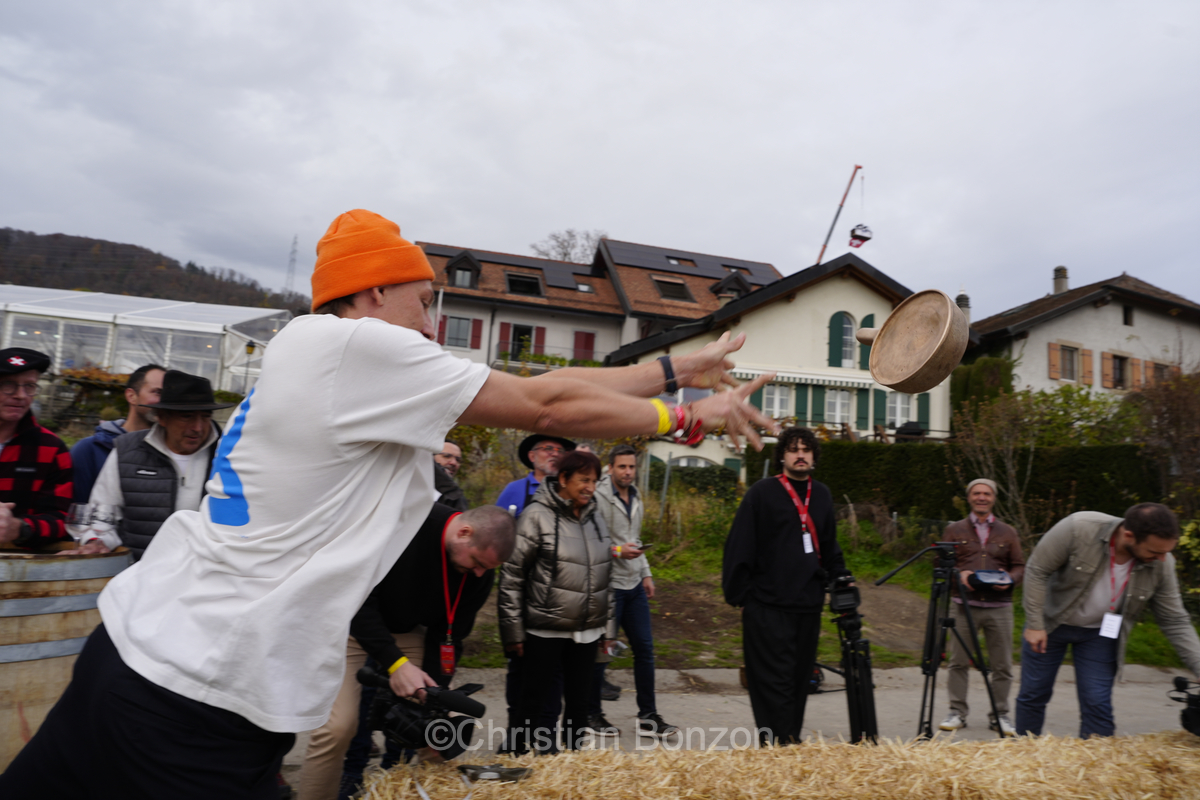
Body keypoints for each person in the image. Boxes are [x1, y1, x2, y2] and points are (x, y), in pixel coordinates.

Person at [1, 208, 775, 798]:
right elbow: (550, 410)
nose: (433, 321)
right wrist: (684, 416)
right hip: (198, 691)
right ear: (373, 291)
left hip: (147, 657)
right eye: (424, 298)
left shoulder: (329, 360)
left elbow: (547, 391)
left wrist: (679, 371)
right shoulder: (357, 347)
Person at [297, 504, 516, 799]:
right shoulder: (408, 523)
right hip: (352, 621)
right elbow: (358, 602)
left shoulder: (479, 574)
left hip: (407, 631)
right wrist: (395, 664)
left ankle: (434, 792)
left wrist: (436, 693)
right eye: (476, 562)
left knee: (437, 729)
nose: (478, 573)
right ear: (464, 533)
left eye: (486, 569)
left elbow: (450, 636)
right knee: (337, 728)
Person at [1015, 503, 1200, 739]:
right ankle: (1025, 754)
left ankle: (1097, 766)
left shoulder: (1163, 563)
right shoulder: (1078, 528)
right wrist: (1034, 623)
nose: (1162, 559)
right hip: (1049, 625)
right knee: (1034, 693)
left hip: (1100, 635)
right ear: (1129, 535)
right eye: (1155, 552)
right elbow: (1037, 570)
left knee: (1097, 700)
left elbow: (1174, 619)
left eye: (1165, 552)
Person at [722, 426, 847, 746]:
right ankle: (772, 743)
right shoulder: (762, 493)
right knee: (769, 681)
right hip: (767, 605)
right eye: (794, 449)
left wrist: (841, 581)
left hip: (807, 604)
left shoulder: (821, 494)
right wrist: (742, 595)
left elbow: (830, 546)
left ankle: (790, 740)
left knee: (798, 679)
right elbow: (739, 545)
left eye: (806, 449)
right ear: (783, 456)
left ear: (814, 456)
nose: (800, 454)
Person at [499, 450, 616, 753]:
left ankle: (571, 763)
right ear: (563, 479)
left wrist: (609, 628)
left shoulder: (596, 519)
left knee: (579, 703)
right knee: (532, 699)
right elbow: (512, 577)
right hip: (545, 629)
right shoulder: (535, 516)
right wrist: (513, 632)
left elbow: (606, 575)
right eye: (583, 480)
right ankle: (516, 755)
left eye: (594, 481)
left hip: (587, 631)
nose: (590, 487)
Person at [79, 370, 233, 559]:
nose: (198, 427)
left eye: (205, 416)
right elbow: (102, 514)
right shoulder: (127, 451)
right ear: (162, 417)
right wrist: (97, 541)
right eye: (187, 416)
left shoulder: (226, 456)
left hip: (202, 577)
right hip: (137, 575)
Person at [587, 444, 678, 738]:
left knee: (645, 650)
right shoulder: (598, 496)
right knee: (604, 652)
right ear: (610, 468)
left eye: (632, 467)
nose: (628, 472)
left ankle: (648, 716)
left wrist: (647, 573)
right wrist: (616, 551)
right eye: (622, 467)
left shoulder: (636, 495)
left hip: (634, 584)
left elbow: (634, 539)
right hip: (608, 586)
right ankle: (592, 715)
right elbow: (587, 541)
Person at [938, 478, 1025, 736]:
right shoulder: (953, 530)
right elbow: (940, 564)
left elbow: (1019, 565)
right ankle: (957, 712)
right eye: (976, 493)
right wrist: (959, 576)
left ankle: (1000, 715)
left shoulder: (1008, 532)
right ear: (969, 497)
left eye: (986, 494)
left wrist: (1010, 580)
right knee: (957, 662)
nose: (981, 498)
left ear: (994, 498)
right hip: (963, 605)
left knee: (1002, 665)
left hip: (1000, 606)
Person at [0, 347, 73, 550]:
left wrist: (19, 528)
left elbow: (62, 519)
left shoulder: (51, 449)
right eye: (9, 385)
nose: (21, 395)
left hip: (20, 571)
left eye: (30, 386)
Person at [69, 364, 165, 503]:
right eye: (157, 392)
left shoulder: (174, 453)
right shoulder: (90, 450)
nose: (164, 402)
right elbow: (77, 512)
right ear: (131, 396)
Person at [495, 434, 575, 516]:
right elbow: (498, 525)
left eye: (560, 451)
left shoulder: (570, 488)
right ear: (532, 456)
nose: (555, 454)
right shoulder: (515, 489)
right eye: (548, 449)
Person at [433, 440, 468, 511]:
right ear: (430, 457)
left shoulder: (457, 498)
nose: (454, 463)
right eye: (447, 456)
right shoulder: (409, 482)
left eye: (458, 460)